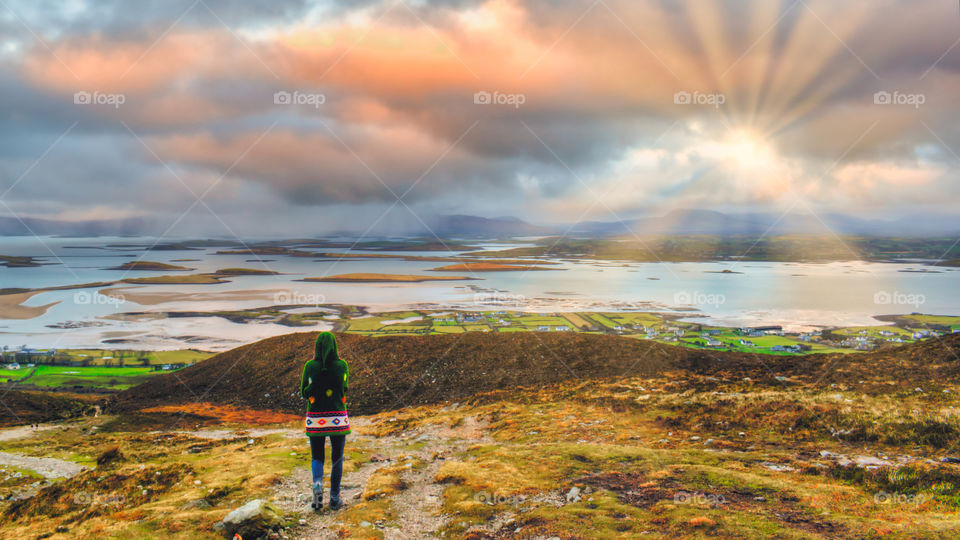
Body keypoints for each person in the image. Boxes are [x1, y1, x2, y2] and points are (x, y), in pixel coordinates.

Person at [300, 332, 350, 510]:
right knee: (337, 458)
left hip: (315, 419)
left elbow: (304, 392)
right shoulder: (342, 365)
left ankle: (318, 491)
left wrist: (314, 387)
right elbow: (344, 389)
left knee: (317, 456)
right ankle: (335, 499)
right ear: (334, 346)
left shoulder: (310, 366)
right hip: (337, 418)